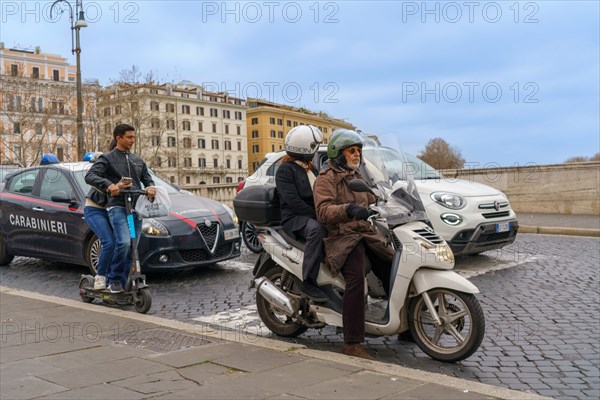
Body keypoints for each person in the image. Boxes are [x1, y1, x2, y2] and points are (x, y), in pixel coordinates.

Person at [313, 129, 395, 360]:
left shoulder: (357, 174)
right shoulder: (326, 178)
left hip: (365, 232)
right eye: (352, 150)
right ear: (338, 153)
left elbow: (372, 196)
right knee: (356, 278)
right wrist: (348, 210)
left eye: (358, 150)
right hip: (343, 237)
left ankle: (406, 322)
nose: (357, 154)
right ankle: (352, 342)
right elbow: (323, 211)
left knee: (392, 264)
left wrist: (388, 200)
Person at [85, 124, 156, 293]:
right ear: (118, 138)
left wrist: (151, 187)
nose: (133, 140)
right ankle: (112, 279)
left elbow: (148, 179)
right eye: (129, 137)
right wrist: (109, 185)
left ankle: (123, 282)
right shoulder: (107, 158)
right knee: (122, 242)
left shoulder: (138, 161)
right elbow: (90, 176)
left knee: (132, 247)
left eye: (133, 137)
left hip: (135, 211)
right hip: (116, 207)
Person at [275, 125, 328, 302]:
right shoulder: (285, 170)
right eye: (314, 147)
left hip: (312, 214)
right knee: (317, 230)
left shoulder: (311, 168)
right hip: (295, 218)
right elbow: (295, 203)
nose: (315, 151)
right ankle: (309, 282)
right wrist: (320, 215)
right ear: (306, 147)